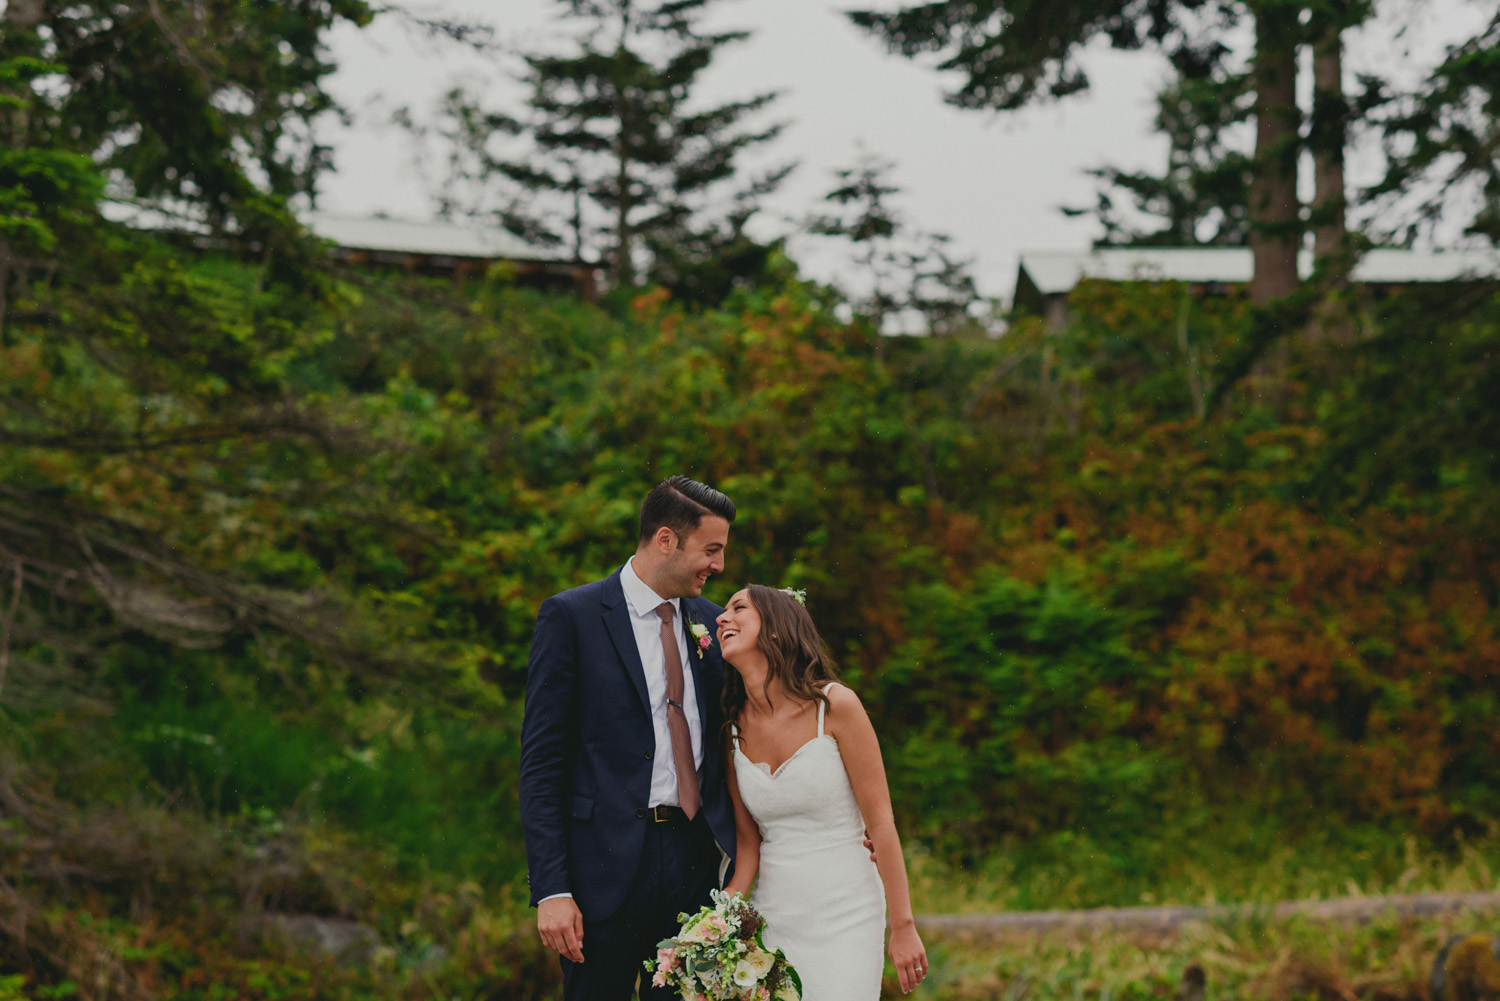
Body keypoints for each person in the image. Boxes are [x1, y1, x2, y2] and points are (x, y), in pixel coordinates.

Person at [519, 475, 740, 1000]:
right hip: (602, 872)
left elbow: (754, 732)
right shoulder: (571, 617)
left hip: (696, 866)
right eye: (711, 550)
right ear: (666, 540)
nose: (720, 567)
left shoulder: (713, 623)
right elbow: (542, 763)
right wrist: (551, 888)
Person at [720, 584, 929, 999]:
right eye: (722, 612)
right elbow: (748, 848)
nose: (722, 617)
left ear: (776, 628)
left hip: (846, 910)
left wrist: (903, 926)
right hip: (773, 914)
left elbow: (882, 823)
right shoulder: (732, 730)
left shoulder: (835, 706)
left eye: (738, 608)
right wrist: (714, 924)